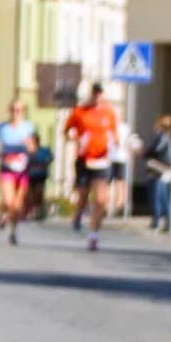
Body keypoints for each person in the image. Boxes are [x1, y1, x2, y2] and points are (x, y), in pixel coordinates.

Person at [61, 83, 118, 250]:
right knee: (83, 196)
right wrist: (75, 140)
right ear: (90, 94)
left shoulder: (109, 112)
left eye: (99, 94)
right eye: (94, 93)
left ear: (103, 95)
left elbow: (114, 135)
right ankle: (78, 213)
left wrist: (114, 145)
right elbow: (66, 132)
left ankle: (94, 235)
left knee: (100, 200)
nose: (97, 97)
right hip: (84, 159)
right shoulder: (79, 111)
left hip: (102, 160)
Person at [0, 100, 38, 245]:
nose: (16, 113)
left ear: (23, 112)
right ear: (9, 110)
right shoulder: (2, 127)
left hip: (22, 169)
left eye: (19, 110)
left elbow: (33, 149)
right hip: (7, 168)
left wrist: (29, 145)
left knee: (17, 205)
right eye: (13, 110)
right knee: (8, 201)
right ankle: (5, 213)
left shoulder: (28, 128)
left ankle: (13, 231)